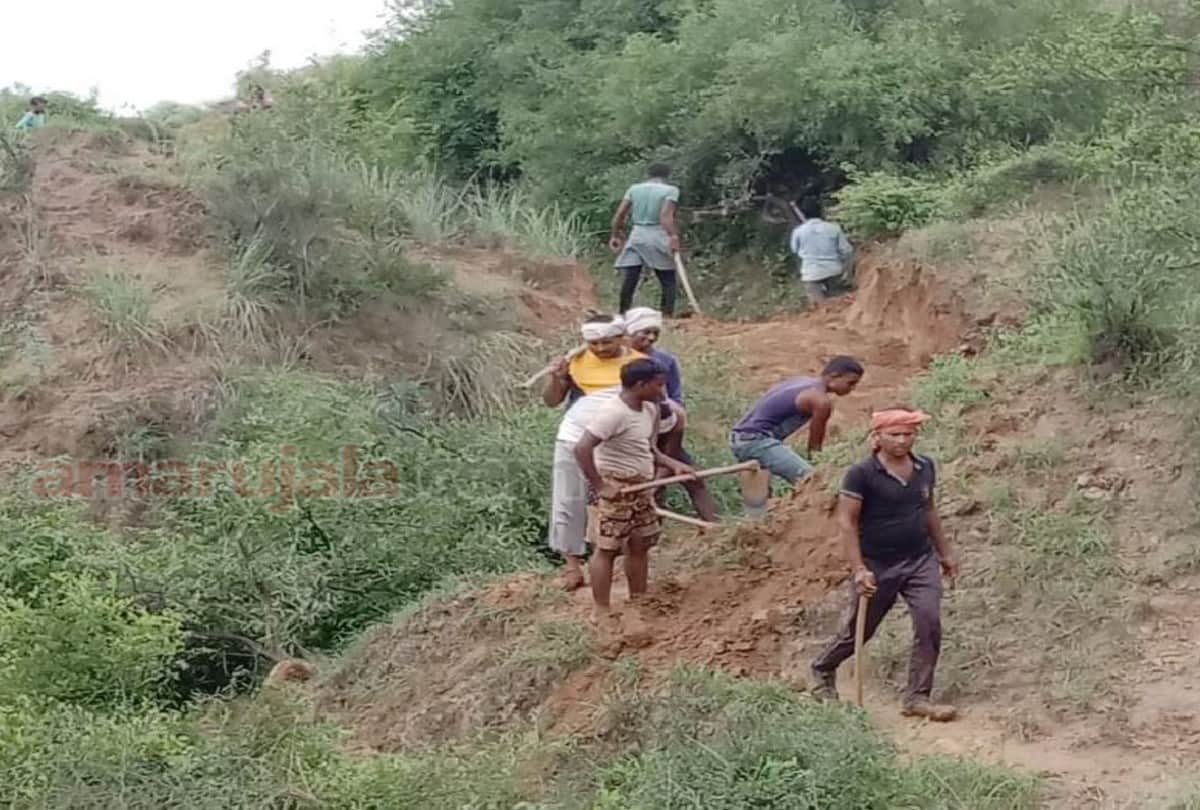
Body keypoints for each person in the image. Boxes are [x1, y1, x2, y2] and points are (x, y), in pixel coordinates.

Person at [810, 407, 960, 721]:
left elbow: (929, 510)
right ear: (877, 437)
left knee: (929, 621)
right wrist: (859, 569)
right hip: (877, 563)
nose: (902, 441)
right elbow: (847, 523)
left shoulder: (924, 467)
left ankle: (917, 697)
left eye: (908, 434)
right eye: (894, 434)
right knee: (860, 631)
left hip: (920, 559)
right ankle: (822, 669)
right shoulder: (861, 474)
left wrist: (945, 553)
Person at [574, 358, 694, 627]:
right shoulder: (613, 413)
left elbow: (651, 450)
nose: (664, 392)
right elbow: (582, 449)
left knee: (640, 544)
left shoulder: (650, 409)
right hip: (614, 487)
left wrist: (675, 465)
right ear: (641, 385)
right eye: (659, 385)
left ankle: (639, 600)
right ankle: (601, 610)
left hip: (641, 487)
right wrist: (602, 486)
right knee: (606, 548)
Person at [543, 314, 646, 590]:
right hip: (573, 438)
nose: (599, 348)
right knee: (568, 499)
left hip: (617, 445)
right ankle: (572, 567)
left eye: (606, 342)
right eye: (593, 343)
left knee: (616, 501)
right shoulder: (575, 363)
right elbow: (552, 400)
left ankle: (616, 567)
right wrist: (557, 377)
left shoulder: (637, 364)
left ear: (621, 337)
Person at [728, 356, 864, 516]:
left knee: (757, 503)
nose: (852, 389)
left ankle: (753, 528)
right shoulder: (820, 401)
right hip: (756, 440)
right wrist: (820, 467)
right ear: (834, 376)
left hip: (738, 437)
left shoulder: (801, 382)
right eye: (851, 383)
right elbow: (814, 448)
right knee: (810, 480)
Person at [625, 306, 718, 522]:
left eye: (654, 332)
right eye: (644, 332)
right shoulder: (621, 361)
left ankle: (715, 528)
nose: (650, 337)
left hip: (666, 426)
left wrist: (664, 468)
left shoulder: (665, 361)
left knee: (690, 478)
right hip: (634, 432)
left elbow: (675, 397)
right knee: (648, 483)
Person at [610, 163, 682, 316]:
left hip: (637, 235)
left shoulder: (634, 189)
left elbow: (620, 214)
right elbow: (665, 217)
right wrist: (673, 236)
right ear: (667, 176)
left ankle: (623, 313)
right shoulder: (671, 191)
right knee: (668, 278)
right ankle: (667, 315)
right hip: (658, 234)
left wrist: (615, 234)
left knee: (631, 276)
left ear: (648, 175)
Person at [789, 199, 853, 304]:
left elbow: (794, 250)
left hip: (811, 274)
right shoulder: (833, 228)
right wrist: (847, 271)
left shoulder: (798, 231)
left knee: (818, 308)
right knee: (838, 304)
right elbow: (847, 251)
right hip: (833, 271)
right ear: (821, 212)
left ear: (804, 213)